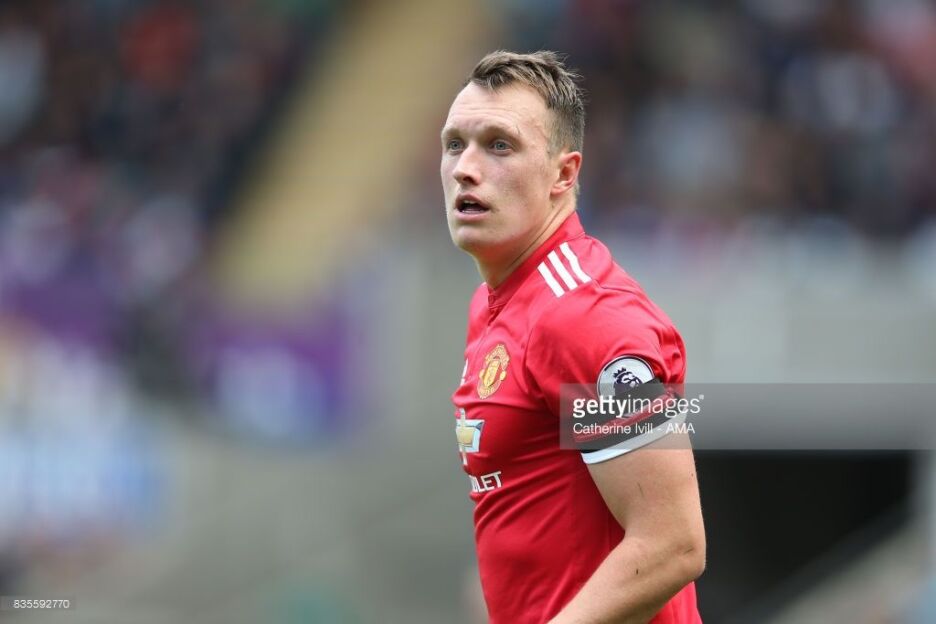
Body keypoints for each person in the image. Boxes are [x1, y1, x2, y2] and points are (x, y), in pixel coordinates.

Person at [442, 50, 706, 623]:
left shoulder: (585, 317)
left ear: (563, 174)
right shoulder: (493, 305)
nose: (466, 167)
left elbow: (672, 543)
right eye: (455, 144)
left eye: (499, 145)